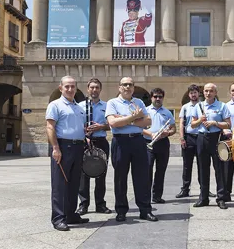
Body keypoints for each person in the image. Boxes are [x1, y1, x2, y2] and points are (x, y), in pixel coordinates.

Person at [105, 77, 157, 222]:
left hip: (138, 140)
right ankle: (121, 210)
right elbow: (113, 123)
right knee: (120, 177)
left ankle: (145, 210)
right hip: (120, 142)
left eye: (130, 84)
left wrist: (126, 119)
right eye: (124, 84)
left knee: (142, 177)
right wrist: (134, 118)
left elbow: (148, 121)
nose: (127, 87)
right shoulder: (112, 103)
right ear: (119, 87)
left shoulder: (139, 102)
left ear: (133, 87)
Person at [45, 76, 90, 231]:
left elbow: (79, 127)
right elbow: (50, 127)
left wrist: (85, 137)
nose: (70, 89)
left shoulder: (79, 108)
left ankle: (71, 215)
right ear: (61, 88)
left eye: (73, 86)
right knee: (59, 184)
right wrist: (55, 148)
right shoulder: (55, 105)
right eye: (67, 87)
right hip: (63, 147)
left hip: (78, 147)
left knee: (74, 183)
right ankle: (58, 218)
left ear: (76, 88)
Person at [191, 83, 231, 209]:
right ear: (203, 92)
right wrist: (199, 120)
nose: (208, 93)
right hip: (202, 138)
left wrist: (215, 123)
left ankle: (221, 198)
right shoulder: (198, 106)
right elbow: (192, 124)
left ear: (215, 92)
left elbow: (228, 124)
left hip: (216, 138)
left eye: (211, 91)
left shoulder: (222, 106)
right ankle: (203, 198)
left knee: (219, 169)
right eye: (206, 91)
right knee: (203, 169)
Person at [76, 78, 112, 215]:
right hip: (84, 141)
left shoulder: (107, 106)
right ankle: (83, 205)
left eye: (97, 87)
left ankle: (100, 204)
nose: (94, 90)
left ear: (100, 89)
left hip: (101, 141)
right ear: (87, 89)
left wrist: (101, 126)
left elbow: (112, 125)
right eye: (92, 87)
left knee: (101, 173)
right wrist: (84, 134)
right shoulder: (79, 106)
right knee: (83, 175)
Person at [144, 88, 176, 204]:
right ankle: (146, 196)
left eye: (160, 97)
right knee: (147, 170)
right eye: (155, 96)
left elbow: (173, 128)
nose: (158, 99)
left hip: (163, 143)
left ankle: (157, 196)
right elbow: (140, 128)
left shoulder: (167, 112)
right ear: (151, 97)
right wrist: (151, 134)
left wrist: (167, 133)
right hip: (148, 143)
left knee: (161, 171)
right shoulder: (145, 111)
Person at [176, 84, 202, 198]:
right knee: (187, 165)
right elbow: (181, 123)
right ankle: (185, 189)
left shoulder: (203, 106)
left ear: (198, 93)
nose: (193, 94)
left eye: (195, 92)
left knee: (202, 165)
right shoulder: (185, 107)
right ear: (189, 94)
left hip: (201, 137)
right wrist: (182, 138)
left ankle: (204, 189)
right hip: (189, 137)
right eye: (191, 93)